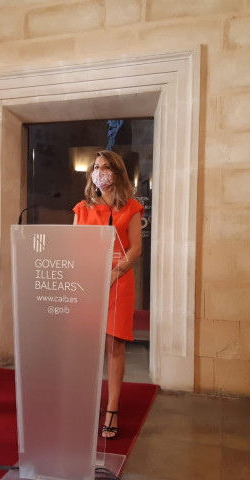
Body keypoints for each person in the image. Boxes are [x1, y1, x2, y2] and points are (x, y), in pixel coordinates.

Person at [73, 150, 143, 439]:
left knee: (114, 345)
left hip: (120, 281)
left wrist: (115, 272)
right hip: (89, 282)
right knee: (88, 345)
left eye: (106, 167)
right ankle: (87, 405)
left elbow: (136, 247)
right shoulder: (82, 208)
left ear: (117, 172)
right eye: (96, 167)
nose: (100, 171)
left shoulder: (132, 207)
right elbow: (74, 244)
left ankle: (112, 408)